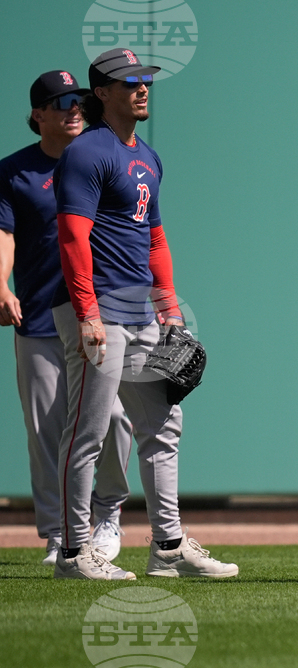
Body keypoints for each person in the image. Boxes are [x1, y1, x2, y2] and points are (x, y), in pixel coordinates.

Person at [51, 48, 237, 579]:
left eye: (146, 79)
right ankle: (73, 552)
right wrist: (86, 312)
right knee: (87, 432)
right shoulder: (87, 153)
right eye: (128, 80)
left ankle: (169, 547)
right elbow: (72, 238)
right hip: (98, 309)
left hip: (140, 313)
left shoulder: (148, 157)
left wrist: (170, 312)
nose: (141, 87)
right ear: (102, 92)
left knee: (162, 425)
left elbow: (155, 239)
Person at [0, 71, 132, 567]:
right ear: (37, 115)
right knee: (47, 431)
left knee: (116, 421)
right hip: (38, 316)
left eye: (77, 101)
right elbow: (4, 236)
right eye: (59, 104)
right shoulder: (14, 172)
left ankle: (107, 514)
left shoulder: (102, 156)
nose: (72, 109)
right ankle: (60, 536)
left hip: (98, 315)